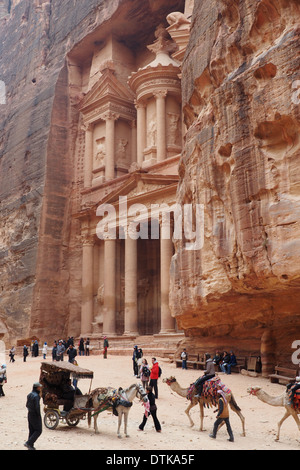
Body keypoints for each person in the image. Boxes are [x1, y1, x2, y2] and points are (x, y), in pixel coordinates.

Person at [25, 382, 43, 450]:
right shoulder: (36, 396)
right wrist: (38, 415)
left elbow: (26, 405)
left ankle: (30, 445)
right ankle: (29, 443)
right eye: (39, 387)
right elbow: (37, 407)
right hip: (35, 415)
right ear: (37, 388)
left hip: (29, 413)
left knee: (32, 430)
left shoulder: (29, 394)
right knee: (38, 430)